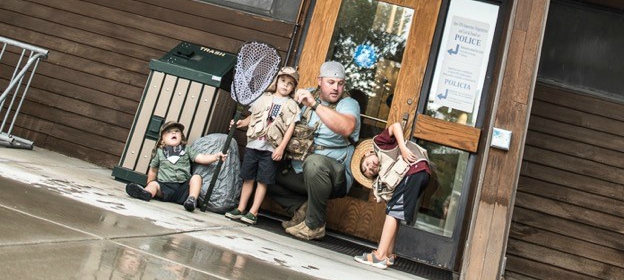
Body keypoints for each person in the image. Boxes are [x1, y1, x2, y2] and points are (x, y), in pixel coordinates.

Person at [268, 61, 361, 240]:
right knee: (265, 169)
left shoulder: (349, 103)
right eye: (331, 82)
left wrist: (314, 105)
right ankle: (302, 210)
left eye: (340, 84)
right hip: (299, 169)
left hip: (334, 174)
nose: (336, 88)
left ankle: (315, 224)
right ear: (320, 81)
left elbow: (347, 127)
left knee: (315, 162)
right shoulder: (308, 94)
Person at [225, 66, 301, 225]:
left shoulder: (292, 106)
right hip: (254, 145)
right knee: (248, 178)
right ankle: (240, 208)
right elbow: (252, 117)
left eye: (290, 83)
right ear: (277, 81)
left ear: (294, 87)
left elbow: (289, 129)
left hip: (271, 149)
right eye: (283, 81)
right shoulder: (263, 98)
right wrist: (240, 123)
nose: (285, 85)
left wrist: (281, 148)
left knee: (262, 180)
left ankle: (253, 212)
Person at [350, 122, 431, 269]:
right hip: (419, 173)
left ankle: (379, 256)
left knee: (393, 211)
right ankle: (388, 254)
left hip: (414, 169)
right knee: (395, 211)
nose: (370, 168)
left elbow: (396, 126)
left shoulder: (379, 143)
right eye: (368, 171)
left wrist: (403, 148)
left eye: (366, 164)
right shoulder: (382, 174)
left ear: (367, 153)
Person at [125, 121, 226, 212]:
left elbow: (201, 158)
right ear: (162, 139)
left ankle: (191, 200)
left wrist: (215, 157)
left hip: (183, 188)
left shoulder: (187, 149)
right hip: (165, 186)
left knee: (197, 177)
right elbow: (153, 170)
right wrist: (149, 183)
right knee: (154, 185)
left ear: (181, 136)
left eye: (176, 131)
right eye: (169, 132)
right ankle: (146, 193)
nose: (173, 133)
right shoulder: (159, 152)